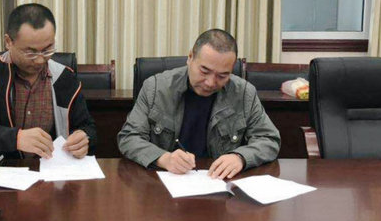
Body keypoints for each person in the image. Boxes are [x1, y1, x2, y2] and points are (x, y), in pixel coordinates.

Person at [0, 3, 96, 159]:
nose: (40, 60)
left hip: (49, 170)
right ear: (8, 42)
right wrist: (15, 138)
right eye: (30, 52)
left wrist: (84, 137)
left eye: (47, 49)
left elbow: (87, 126)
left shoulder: (64, 78)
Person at [118, 29, 280, 179]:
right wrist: (164, 158)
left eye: (222, 76)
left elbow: (268, 139)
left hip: (218, 183)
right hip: (163, 184)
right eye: (204, 71)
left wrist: (240, 157)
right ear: (190, 57)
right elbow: (129, 137)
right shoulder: (156, 88)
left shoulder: (244, 93)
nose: (210, 82)